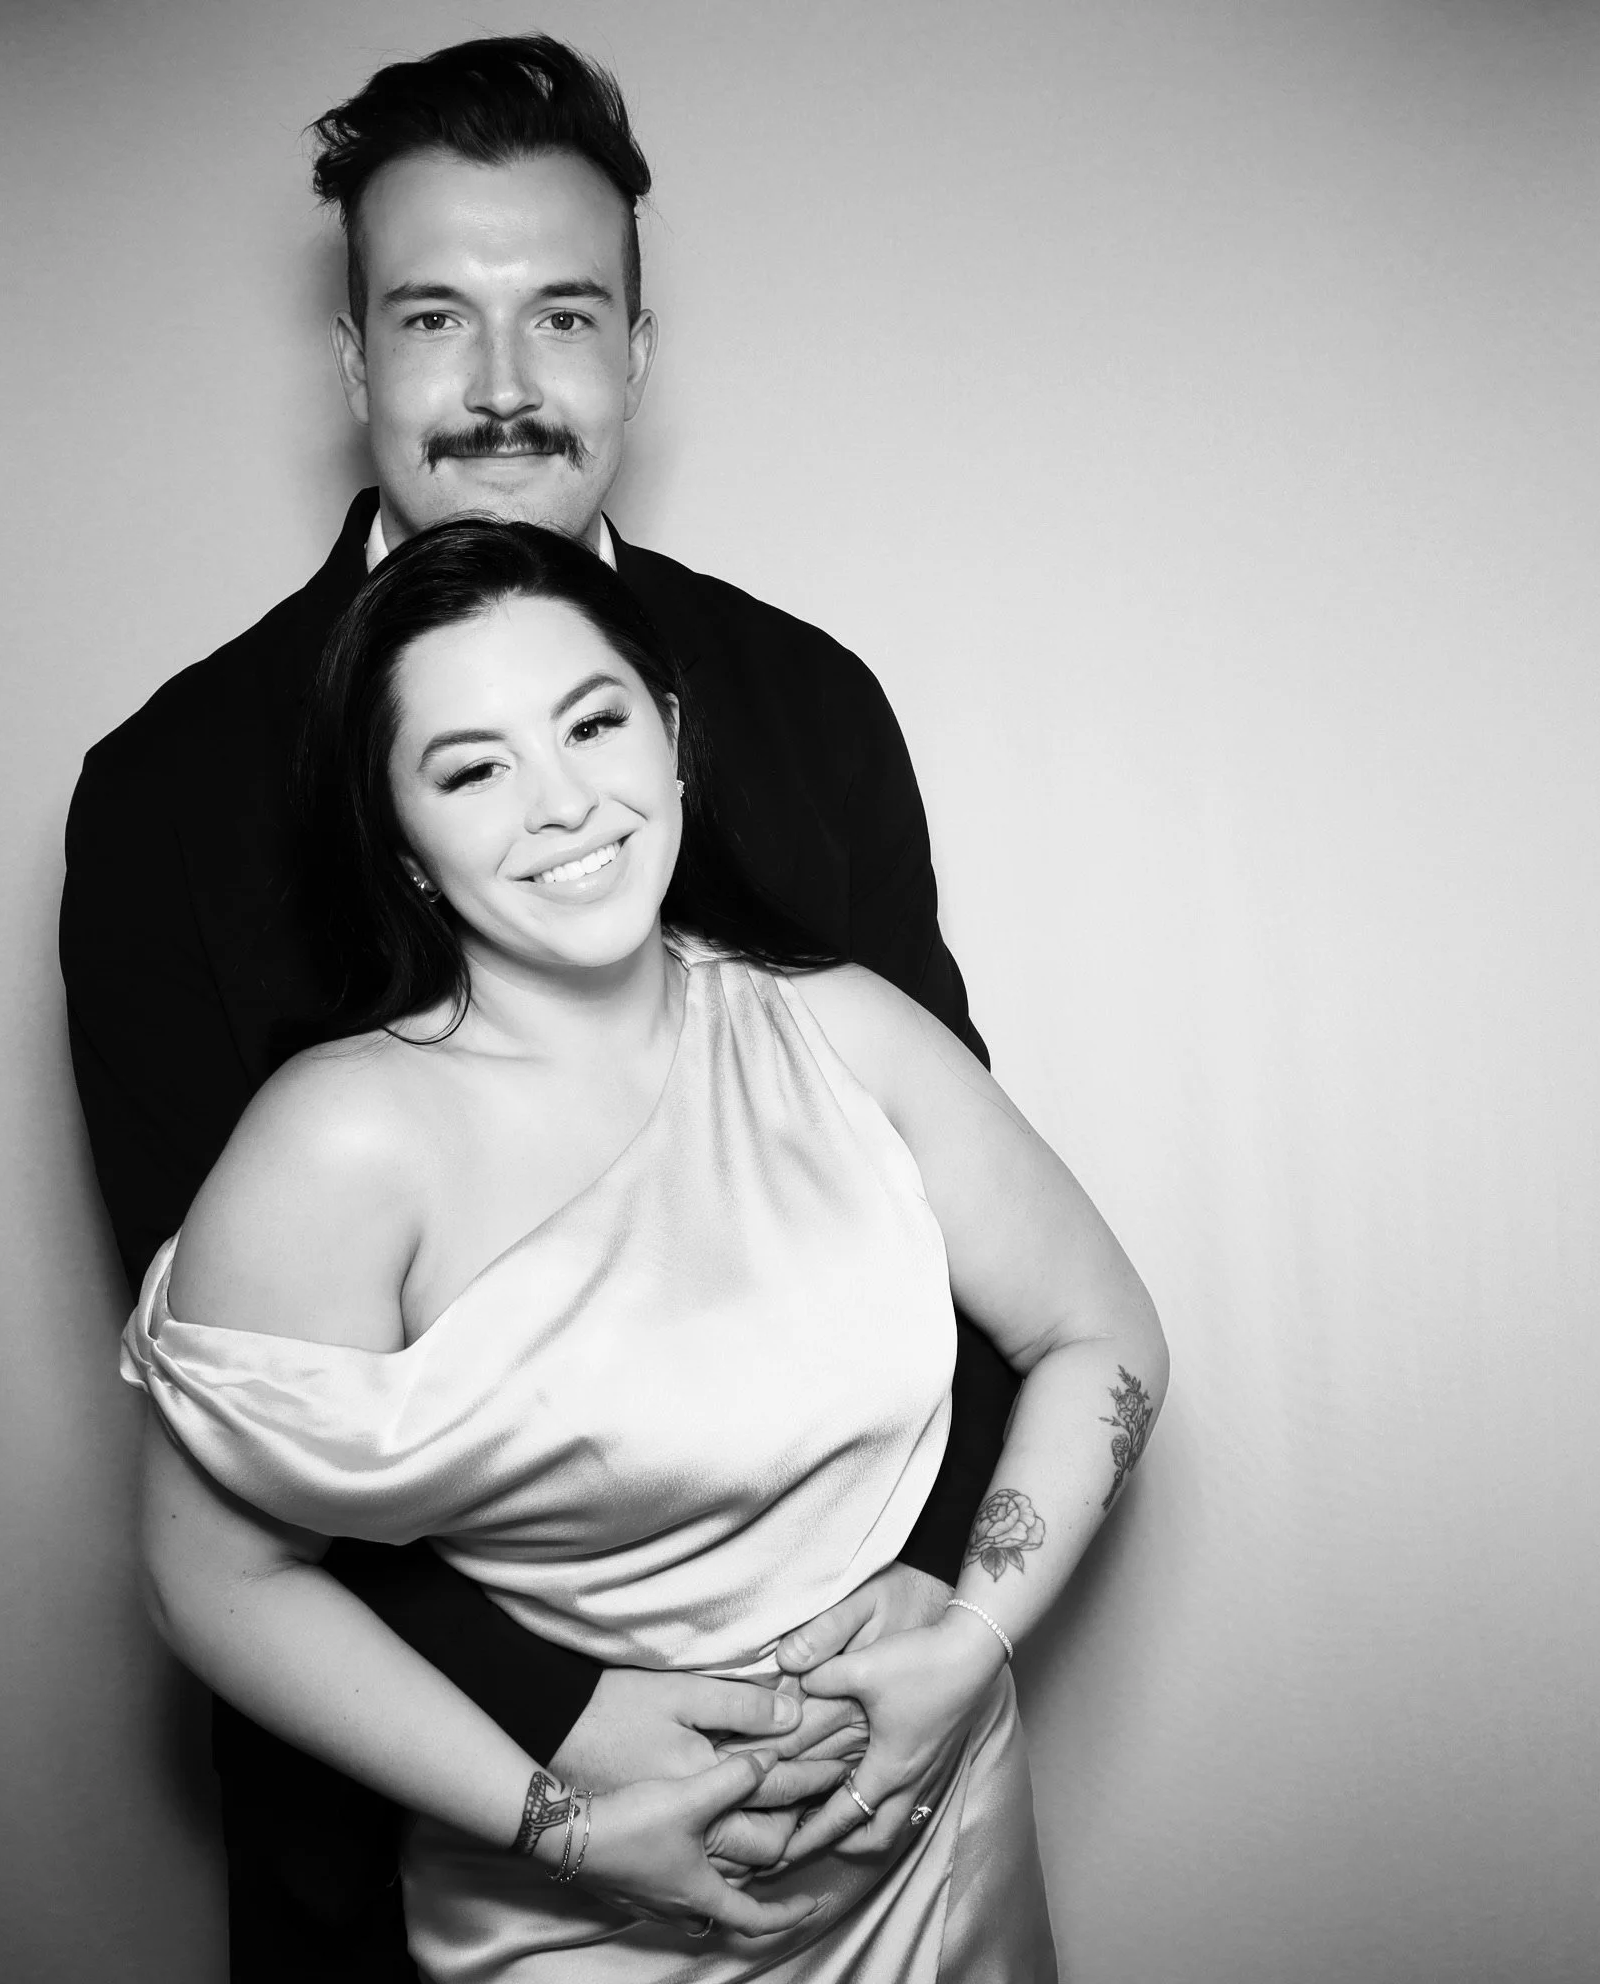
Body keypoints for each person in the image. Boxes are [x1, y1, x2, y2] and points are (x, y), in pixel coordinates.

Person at [61, 34, 1022, 1977]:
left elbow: (960, 1233)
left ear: (635, 354)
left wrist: (912, 1618)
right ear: (354, 360)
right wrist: (570, 1726)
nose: (503, 385)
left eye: (562, 315)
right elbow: (233, 1423)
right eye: (436, 316)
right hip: (417, 1816)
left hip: (862, 1772)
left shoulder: (806, 702)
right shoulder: (166, 789)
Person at [124, 517, 1169, 1980]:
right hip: (590, 1907)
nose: (564, 804)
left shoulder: (843, 1026)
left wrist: (969, 1642)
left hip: (937, 1842)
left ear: (671, 739)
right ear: (401, 843)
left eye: (592, 725)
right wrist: (565, 1827)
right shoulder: (338, 1142)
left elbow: (1103, 1332)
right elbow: (215, 1580)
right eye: (474, 769)